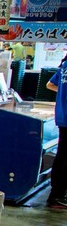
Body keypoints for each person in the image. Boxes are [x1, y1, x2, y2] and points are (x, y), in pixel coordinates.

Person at [44, 59, 67, 209]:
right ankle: (57, 196)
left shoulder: (65, 65)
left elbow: (50, 84)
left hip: (62, 116)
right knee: (64, 158)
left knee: (62, 156)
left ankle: (57, 194)